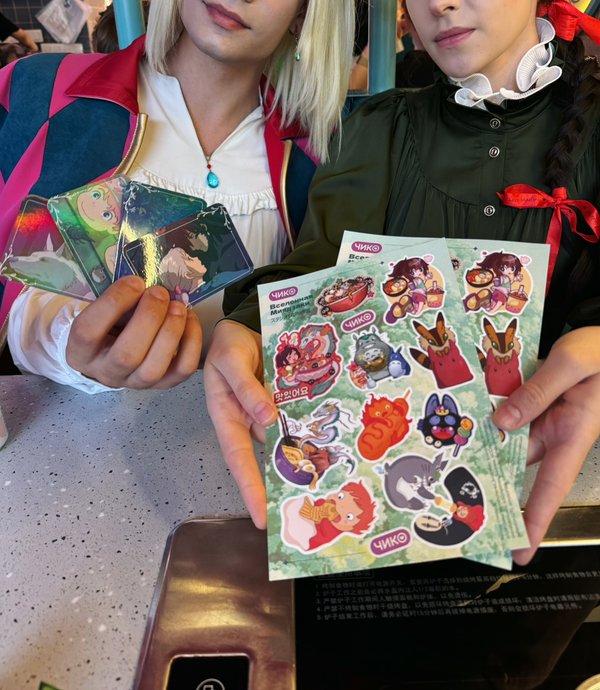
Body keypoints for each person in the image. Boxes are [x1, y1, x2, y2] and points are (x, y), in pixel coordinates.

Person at [204, 0, 600, 566]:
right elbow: (321, 266)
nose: (439, 4)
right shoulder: (378, 129)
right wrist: (250, 325)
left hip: (569, 501)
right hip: (382, 508)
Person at [0, 0, 354, 391]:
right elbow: (16, 287)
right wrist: (64, 339)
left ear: (304, 13)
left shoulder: (323, 158)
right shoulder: (38, 92)